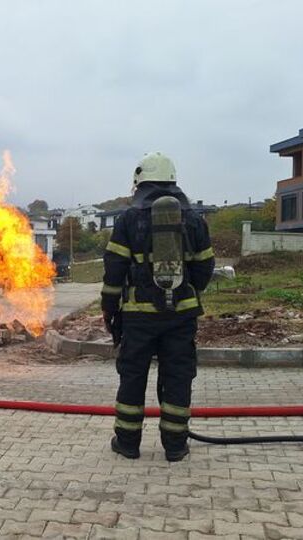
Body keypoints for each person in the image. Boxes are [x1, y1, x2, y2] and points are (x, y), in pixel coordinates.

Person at [101, 152, 215, 462]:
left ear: (140, 181)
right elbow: (205, 267)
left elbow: (114, 268)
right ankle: (175, 446)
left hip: (138, 316)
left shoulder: (128, 219)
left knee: (133, 375)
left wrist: (109, 308)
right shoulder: (193, 219)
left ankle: (127, 442)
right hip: (181, 316)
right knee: (177, 375)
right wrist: (186, 293)